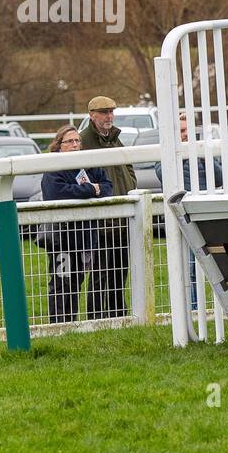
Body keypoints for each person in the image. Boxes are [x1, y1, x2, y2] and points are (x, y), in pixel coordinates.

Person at [41, 126, 113, 323]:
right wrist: (91, 189)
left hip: (85, 237)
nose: (75, 145)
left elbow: (108, 187)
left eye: (77, 141)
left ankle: (71, 323)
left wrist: (88, 189)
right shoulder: (53, 168)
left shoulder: (88, 164)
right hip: (61, 239)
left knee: (76, 282)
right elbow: (58, 192)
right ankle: (58, 325)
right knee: (61, 283)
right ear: (59, 146)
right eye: (69, 141)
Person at [155, 111, 223, 313]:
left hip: (204, 215)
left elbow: (219, 178)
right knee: (189, 269)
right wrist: (183, 156)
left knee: (215, 267)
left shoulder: (202, 152)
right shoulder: (169, 153)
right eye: (181, 131)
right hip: (183, 216)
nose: (184, 134)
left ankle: (217, 309)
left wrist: (201, 155)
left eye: (187, 130)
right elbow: (162, 174)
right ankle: (194, 309)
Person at [79, 96, 136, 318]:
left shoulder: (114, 138)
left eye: (111, 112)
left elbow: (127, 167)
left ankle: (118, 315)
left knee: (120, 272)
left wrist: (130, 183)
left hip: (122, 216)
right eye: (104, 112)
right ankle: (96, 317)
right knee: (100, 273)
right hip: (100, 221)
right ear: (92, 115)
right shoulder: (84, 141)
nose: (109, 116)